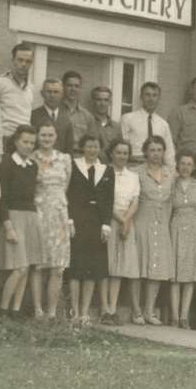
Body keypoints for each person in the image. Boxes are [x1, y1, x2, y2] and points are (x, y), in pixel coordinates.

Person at [66, 135, 114, 325]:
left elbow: (109, 199)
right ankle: (74, 312)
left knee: (92, 268)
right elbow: (68, 194)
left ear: (100, 149)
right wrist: (69, 220)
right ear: (82, 148)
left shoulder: (106, 170)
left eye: (96, 147)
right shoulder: (73, 166)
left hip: (96, 222)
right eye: (89, 146)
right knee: (76, 267)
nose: (92, 150)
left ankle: (85, 312)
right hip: (77, 221)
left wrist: (106, 224)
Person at [0, 125, 40, 316]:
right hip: (12, 217)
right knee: (19, 267)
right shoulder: (6, 164)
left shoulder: (32, 166)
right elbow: (1, 198)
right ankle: (3, 310)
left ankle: (16, 309)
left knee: (27, 266)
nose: (28, 146)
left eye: (31, 143)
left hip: (30, 217)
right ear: (15, 142)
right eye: (25, 142)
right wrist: (8, 226)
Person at [30, 121, 73, 319]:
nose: (46, 139)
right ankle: (38, 309)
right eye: (43, 135)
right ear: (38, 137)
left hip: (59, 215)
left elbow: (66, 186)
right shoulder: (31, 158)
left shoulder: (64, 159)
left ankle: (52, 311)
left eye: (50, 135)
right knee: (38, 264)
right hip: (38, 213)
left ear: (56, 137)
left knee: (57, 267)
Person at [132, 135, 175, 325]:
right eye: (152, 150)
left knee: (156, 267)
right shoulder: (136, 173)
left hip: (162, 223)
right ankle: (136, 311)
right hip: (142, 222)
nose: (156, 154)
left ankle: (149, 311)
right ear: (145, 152)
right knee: (139, 267)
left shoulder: (170, 173)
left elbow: (172, 201)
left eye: (159, 150)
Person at [104, 140, 141, 325]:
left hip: (127, 220)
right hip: (110, 220)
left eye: (125, 153)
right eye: (118, 152)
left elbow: (135, 201)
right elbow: (105, 200)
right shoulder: (105, 172)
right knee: (108, 266)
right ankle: (106, 309)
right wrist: (121, 220)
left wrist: (126, 222)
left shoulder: (133, 176)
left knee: (119, 269)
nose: (122, 156)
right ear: (111, 154)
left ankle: (113, 307)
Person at [170, 151, 196, 327]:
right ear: (178, 165)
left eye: (189, 164)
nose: (185, 167)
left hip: (194, 229)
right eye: (182, 163)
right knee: (175, 275)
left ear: (194, 167)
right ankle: (175, 317)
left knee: (189, 275)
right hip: (176, 227)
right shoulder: (171, 184)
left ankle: (184, 316)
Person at [120, 82, 176, 169]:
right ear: (141, 97)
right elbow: (123, 147)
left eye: (155, 95)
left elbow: (169, 152)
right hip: (134, 165)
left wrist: (171, 171)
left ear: (159, 98)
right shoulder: (127, 118)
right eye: (147, 95)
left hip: (156, 168)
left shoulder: (163, 124)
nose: (151, 99)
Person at [0, 43, 36, 151]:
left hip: (24, 142)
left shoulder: (31, 88)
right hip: (5, 140)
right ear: (12, 60)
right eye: (20, 60)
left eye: (28, 61)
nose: (23, 64)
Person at [30, 78, 74, 154]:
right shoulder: (33, 116)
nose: (52, 95)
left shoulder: (67, 117)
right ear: (42, 93)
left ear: (62, 94)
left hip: (60, 163)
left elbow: (69, 147)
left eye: (56, 92)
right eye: (49, 92)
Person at [61, 70, 99, 154]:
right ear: (63, 87)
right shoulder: (55, 111)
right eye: (69, 85)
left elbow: (92, 142)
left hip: (80, 157)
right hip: (59, 155)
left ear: (80, 88)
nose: (73, 89)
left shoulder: (88, 116)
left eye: (76, 86)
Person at [90, 86, 122, 161]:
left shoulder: (116, 127)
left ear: (109, 102)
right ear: (93, 101)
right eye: (99, 100)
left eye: (106, 100)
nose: (102, 103)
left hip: (110, 167)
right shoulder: (88, 123)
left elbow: (120, 150)